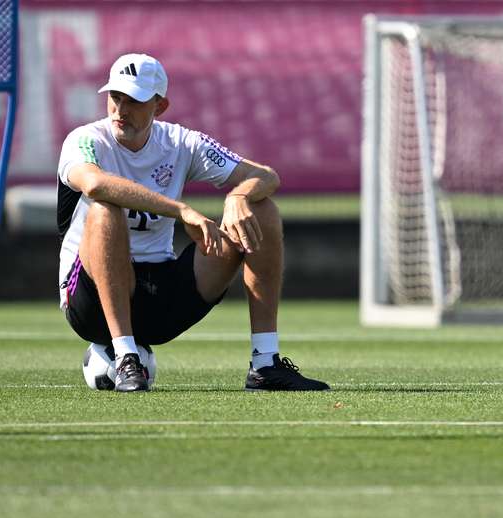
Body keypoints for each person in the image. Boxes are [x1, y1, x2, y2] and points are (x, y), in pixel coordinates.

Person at [56, 53, 330, 393]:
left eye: (135, 101)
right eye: (115, 97)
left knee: (263, 209)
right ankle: (126, 357)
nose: (120, 110)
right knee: (104, 209)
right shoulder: (85, 140)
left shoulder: (181, 142)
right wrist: (181, 210)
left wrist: (238, 197)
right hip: (90, 302)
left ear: (160, 106)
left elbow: (264, 175)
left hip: (159, 294)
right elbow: (95, 184)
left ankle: (265, 363)